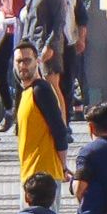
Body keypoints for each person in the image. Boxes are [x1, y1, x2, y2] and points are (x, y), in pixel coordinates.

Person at [11, 41, 67, 184]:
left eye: (27, 60)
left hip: (45, 177)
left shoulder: (41, 90)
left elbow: (59, 129)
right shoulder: (25, 93)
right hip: (29, 175)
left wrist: (64, 166)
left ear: (37, 61)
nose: (23, 65)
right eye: (19, 61)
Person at [21, 0, 67, 100]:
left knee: (51, 86)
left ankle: (59, 118)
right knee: (34, 86)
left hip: (46, 45)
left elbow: (59, 21)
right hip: (31, 44)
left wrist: (50, 45)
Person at [0, 0, 26, 132]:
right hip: (4, 29)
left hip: (22, 27)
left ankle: (20, 115)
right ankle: (8, 108)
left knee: (20, 72)